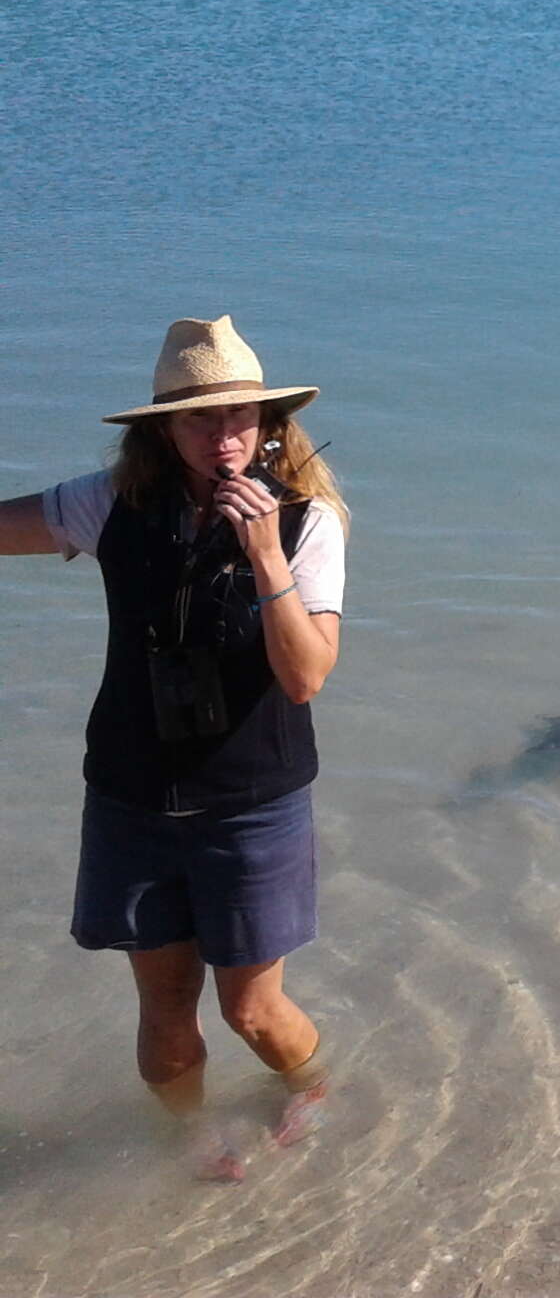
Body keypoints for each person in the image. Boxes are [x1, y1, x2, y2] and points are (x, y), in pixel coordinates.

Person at [0, 316, 348, 1181]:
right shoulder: (111, 504)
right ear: (165, 429)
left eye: (240, 417)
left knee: (252, 1011)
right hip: (132, 797)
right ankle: (188, 1137)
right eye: (200, 419)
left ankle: (315, 1088)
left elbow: (305, 678)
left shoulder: (308, 524)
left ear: (270, 423)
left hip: (251, 800)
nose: (223, 437)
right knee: (162, 1005)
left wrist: (264, 554)